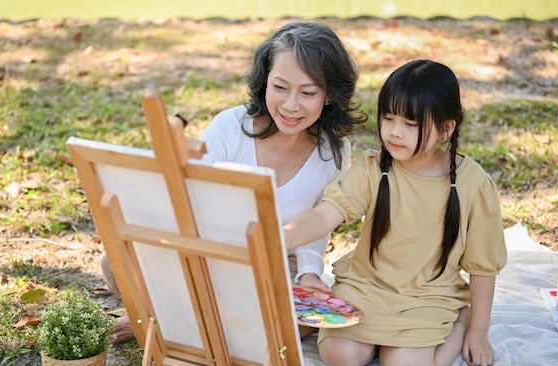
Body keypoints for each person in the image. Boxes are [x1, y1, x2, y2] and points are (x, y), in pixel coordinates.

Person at [103, 20, 368, 343]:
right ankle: (180, 320)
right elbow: (188, 204)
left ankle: (172, 322)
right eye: (280, 87)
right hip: (208, 251)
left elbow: (316, 225)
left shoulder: (335, 152)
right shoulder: (230, 126)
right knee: (116, 261)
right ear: (265, 81)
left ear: (329, 95)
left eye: (308, 92)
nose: (290, 105)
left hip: (273, 262)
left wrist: (309, 272)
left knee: (297, 323)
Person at [283, 59, 507, 366]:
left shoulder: (473, 183)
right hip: (366, 286)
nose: (394, 131)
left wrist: (477, 330)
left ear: (446, 129)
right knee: (339, 356)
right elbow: (325, 214)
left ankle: (458, 320)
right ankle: (378, 340)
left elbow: (483, 265)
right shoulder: (375, 168)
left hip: (428, 295)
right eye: (388, 118)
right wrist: (281, 236)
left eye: (410, 123)